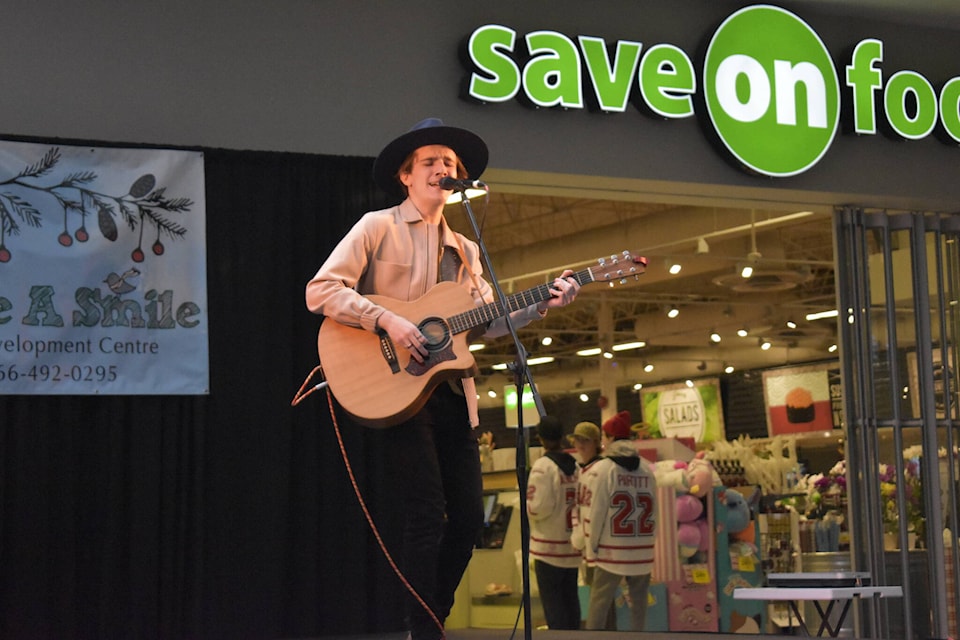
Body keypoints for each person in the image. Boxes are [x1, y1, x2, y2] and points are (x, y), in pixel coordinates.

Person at [304, 117, 580, 640]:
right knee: (427, 514)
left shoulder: (466, 249)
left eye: (450, 164)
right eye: (430, 162)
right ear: (406, 176)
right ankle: (422, 629)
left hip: (454, 392)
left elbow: (485, 320)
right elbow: (321, 290)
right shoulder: (375, 226)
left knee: (470, 522)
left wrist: (541, 303)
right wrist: (386, 319)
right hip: (398, 388)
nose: (442, 169)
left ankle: (431, 617)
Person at [579, 410, 656, 631]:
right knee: (639, 607)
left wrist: (591, 548)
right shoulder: (647, 469)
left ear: (609, 438)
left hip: (612, 550)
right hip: (642, 549)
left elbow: (597, 512)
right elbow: (655, 512)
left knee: (599, 605)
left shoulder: (604, 469)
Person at [526, 415, 581, 630]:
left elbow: (538, 507)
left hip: (547, 549)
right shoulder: (575, 466)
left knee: (554, 607)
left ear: (541, 438)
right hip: (570, 546)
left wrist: (526, 505)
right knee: (571, 602)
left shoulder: (542, 466)